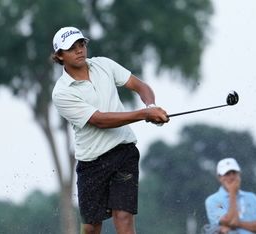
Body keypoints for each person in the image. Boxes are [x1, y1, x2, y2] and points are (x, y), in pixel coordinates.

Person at [51, 26, 169, 234]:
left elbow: (139, 85)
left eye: (81, 44)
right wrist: (143, 114)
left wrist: (151, 107)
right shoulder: (61, 93)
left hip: (123, 152)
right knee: (91, 227)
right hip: (91, 163)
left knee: (123, 218)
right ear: (60, 55)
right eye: (72, 48)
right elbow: (99, 120)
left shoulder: (103, 64)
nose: (79, 50)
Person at [204, 158, 256, 234]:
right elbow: (230, 220)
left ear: (239, 174)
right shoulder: (212, 200)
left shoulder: (252, 197)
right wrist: (232, 193)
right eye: (227, 174)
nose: (232, 177)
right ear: (219, 178)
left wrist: (237, 224)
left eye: (234, 173)